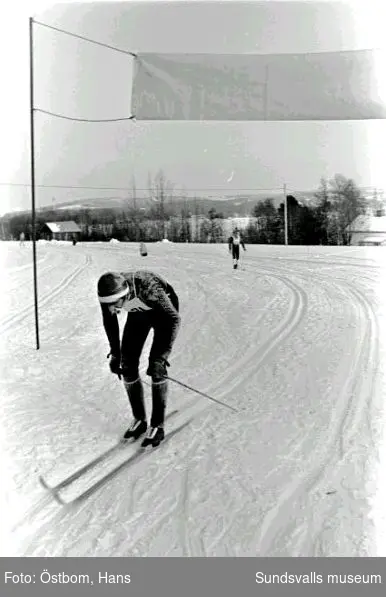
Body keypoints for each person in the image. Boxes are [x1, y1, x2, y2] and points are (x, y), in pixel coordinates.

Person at [97, 270, 181, 447]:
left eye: (114, 304)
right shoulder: (109, 296)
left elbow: (174, 319)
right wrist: (115, 354)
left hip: (163, 314)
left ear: (124, 295)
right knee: (126, 364)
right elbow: (110, 323)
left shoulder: (148, 288)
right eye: (107, 305)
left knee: (156, 366)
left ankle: (157, 424)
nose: (111, 309)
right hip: (139, 312)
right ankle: (140, 420)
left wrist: (162, 356)